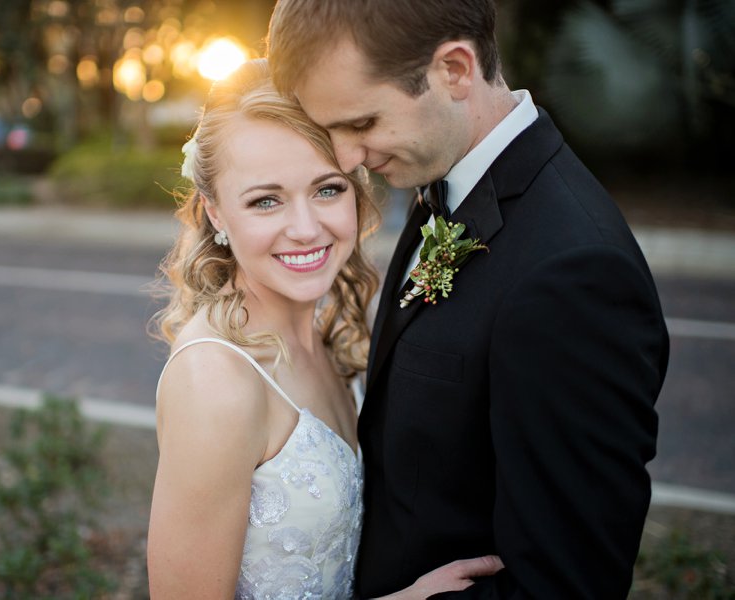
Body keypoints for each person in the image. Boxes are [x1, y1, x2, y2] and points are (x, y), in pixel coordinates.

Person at [267, 1, 670, 598]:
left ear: (454, 71)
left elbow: (566, 582)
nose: (347, 158)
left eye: (362, 123)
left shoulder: (574, 275)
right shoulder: (445, 178)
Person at [147, 59, 504, 599]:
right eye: (266, 200)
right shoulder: (215, 382)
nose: (307, 228)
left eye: (327, 189)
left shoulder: (329, 331)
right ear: (215, 212)